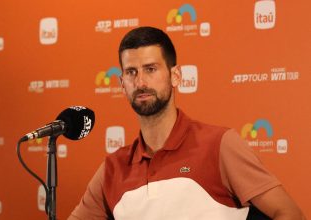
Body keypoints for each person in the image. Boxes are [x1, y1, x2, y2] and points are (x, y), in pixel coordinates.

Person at [68, 26, 305, 220]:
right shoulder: (113, 168)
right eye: (131, 72)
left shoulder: (220, 145)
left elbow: (289, 214)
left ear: (176, 76)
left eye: (150, 69)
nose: (140, 82)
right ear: (121, 84)